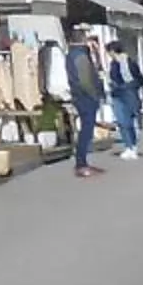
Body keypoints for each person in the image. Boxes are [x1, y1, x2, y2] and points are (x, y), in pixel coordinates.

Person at [63, 30, 106, 179]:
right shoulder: (80, 55)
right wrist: (95, 95)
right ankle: (81, 164)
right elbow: (85, 79)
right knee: (86, 131)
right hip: (85, 97)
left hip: (79, 96)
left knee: (86, 130)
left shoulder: (73, 54)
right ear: (82, 40)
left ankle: (82, 162)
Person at [107, 39, 143, 160]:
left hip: (128, 93)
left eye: (109, 52)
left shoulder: (128, 62)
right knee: (122, 122)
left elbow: (138, 78)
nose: (109, 54)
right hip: (118, 94)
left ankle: (132, 146)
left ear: (113, 51)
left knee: (128, 122)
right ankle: (129, 146)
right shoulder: (114, 63)